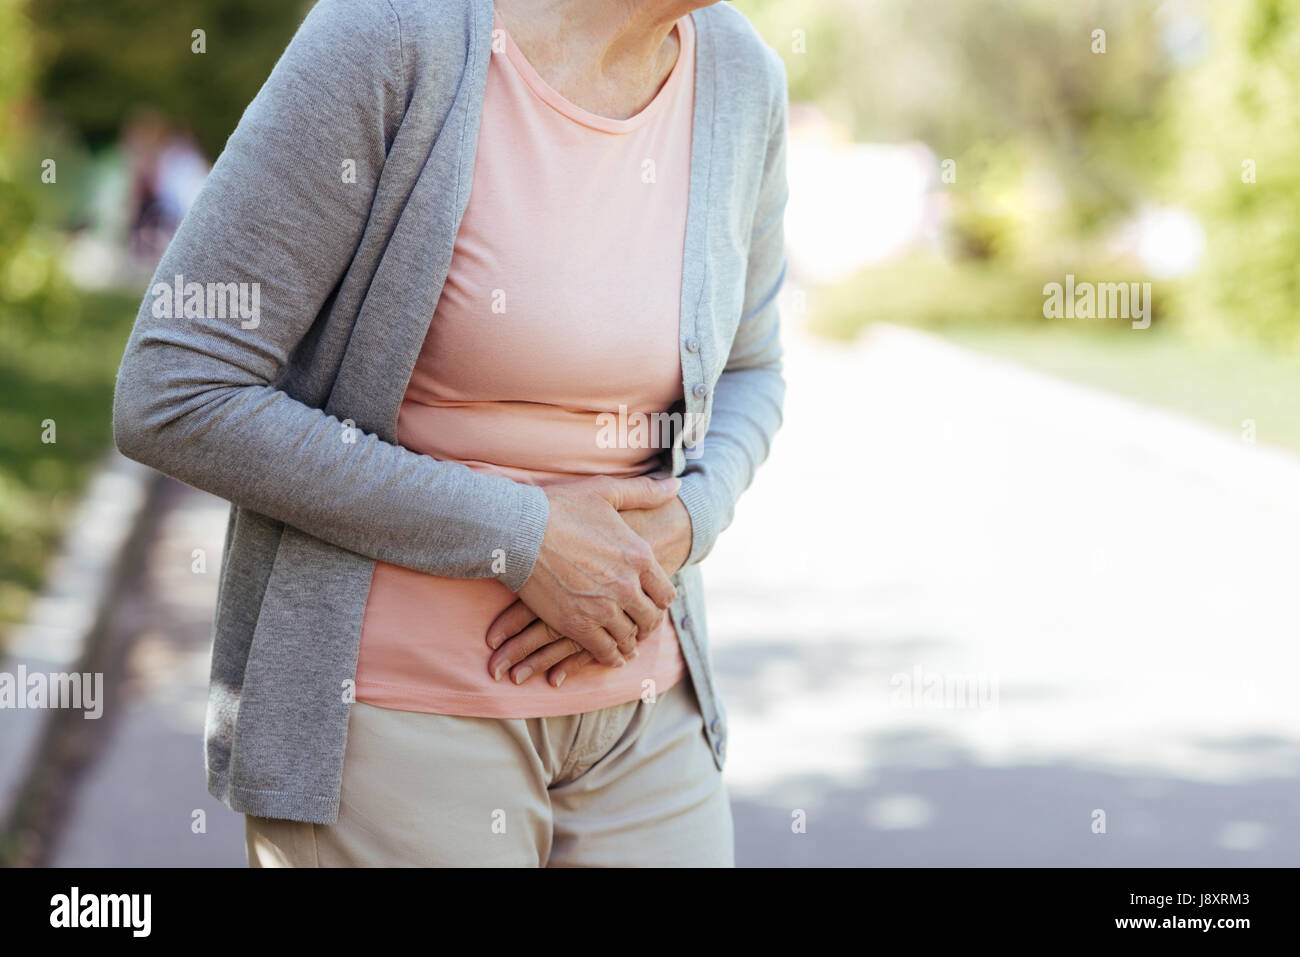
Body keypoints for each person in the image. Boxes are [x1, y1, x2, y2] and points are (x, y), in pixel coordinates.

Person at [112, 0, 788, 867]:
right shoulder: (390, 35)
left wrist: (695, 512)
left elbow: (751, 367)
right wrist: (522, 537)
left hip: (647, 722)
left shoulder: (740, 74)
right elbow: (176, 390)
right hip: (395, 717)